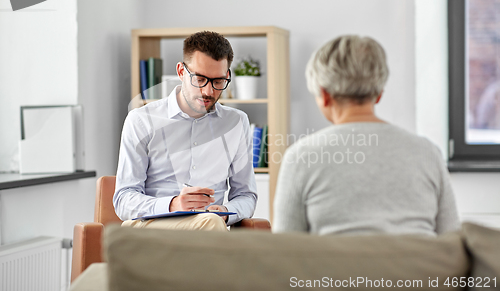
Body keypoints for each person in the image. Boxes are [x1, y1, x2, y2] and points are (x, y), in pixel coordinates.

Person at [273, 35, 460, 236]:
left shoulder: (301, 156)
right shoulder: (427, 153)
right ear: (379, 93)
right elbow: (451, 239)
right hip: (419, 267)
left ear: (324, 95)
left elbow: (285, 251)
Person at [114, 31, 257, 231]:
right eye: (200, 79)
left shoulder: (236, 122)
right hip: (150, 227)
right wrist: (172, 204)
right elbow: (123, 199)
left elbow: (246, 195)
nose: (208, 92)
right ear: (181, 72)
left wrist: (225, 211)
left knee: (211, 223)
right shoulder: (141, 121)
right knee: (211, 227)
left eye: (218, 82)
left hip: (209, 226)